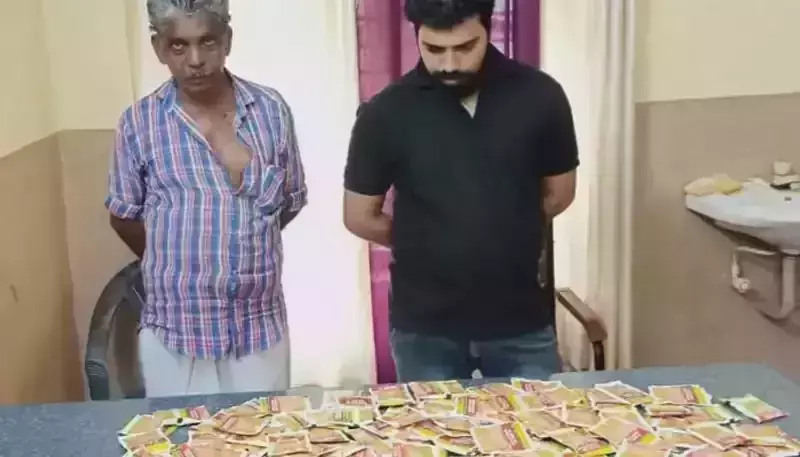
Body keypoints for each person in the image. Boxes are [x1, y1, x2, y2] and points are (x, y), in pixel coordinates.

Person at [343, 0, 578, 382]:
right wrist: (430, 239)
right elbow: (359, 216)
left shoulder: (541, 96)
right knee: (430, 424)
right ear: (416, 36)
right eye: (434, 49)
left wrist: (500, 228)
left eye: (465, 47)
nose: (450, 63)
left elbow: (559, 194)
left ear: (488, 29)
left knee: (538, 420)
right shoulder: (384, 113)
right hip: (425, 329)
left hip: (521, 321)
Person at [106, 0, 307, 396]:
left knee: (263, 430)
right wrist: (174, 261)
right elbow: (124, 216)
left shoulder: (270, 110)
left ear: (227, 40)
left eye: (207, 41)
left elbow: (290, 201)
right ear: (159, 48)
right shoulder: (139, 122)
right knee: (179, 431)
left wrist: (245, 244)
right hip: (175, 332)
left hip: (257, 328)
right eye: (178, 45)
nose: (195, 60)